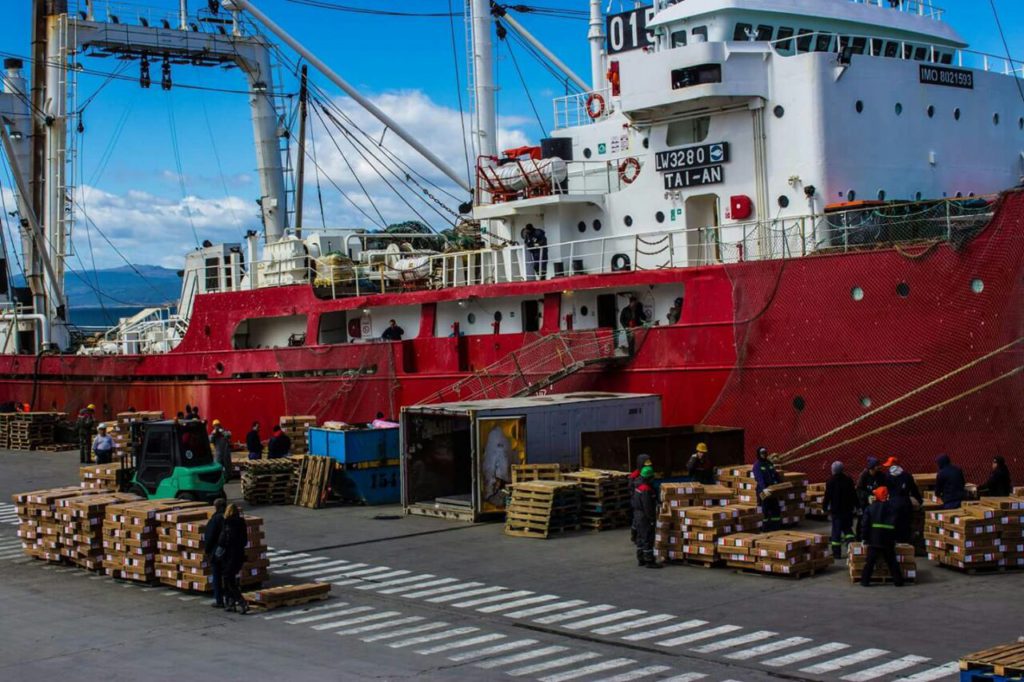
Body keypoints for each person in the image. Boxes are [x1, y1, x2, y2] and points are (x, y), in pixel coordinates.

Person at [859, 486, 904, 587]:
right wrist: (896, 538)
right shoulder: (893, 509)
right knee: (892, 562)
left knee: (870, 563)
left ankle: (865, 581)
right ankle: (898, 581)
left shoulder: (870, 508)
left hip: (874, 540)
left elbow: (865, 525)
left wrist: (864, 538)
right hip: (888, 540)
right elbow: (898, 525)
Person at [219, 504, 250, 614]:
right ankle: (231, 603)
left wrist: (219, 549)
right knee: (231, 578)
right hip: (240, 555)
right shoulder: (242, 523)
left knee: (228, 579)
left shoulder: (228, 523)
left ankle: (241, 602)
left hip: (230, 555)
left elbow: (223, 540)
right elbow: (245, 541)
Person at [823, 461, 858, 559]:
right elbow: (853, 494)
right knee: (848, 530)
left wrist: (824, 507)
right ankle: (853, 549)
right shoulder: (848, 480)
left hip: (837, 512)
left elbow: (827, 496)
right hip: (848, 510)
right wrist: (857, 506)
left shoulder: (830, 481)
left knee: (836, 533)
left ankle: (836, 553)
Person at [884, 457, 922, 544]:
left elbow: (884, 490)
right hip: (906, 503)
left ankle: (896, 545)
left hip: (893, 504)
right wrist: (920, 501)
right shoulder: (907, 475)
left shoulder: (887, 476)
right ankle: (906, 545)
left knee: (894, 525)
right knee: (905, 525)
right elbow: (914, 490)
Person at [632, 465, 662, 569]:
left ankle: (641, 559)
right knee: (648, 538)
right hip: (644, 516)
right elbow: (648, 506)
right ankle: (649, 561)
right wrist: (652, 519)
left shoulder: (638, 485)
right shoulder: (646, 489)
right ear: (648, 478)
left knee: (640, 537)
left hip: (637, 515)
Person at [203, 498, 227, 608]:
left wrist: (207, 551)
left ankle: (219, 600)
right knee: (228, 576)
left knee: (216, 576)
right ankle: (230, 598)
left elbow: (210, 537)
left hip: (217, 552)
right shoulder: (231, 518)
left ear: (216, 507)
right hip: (229, 552)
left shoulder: (215, 519)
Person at [855, 457, 886, 537]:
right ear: (872, 467)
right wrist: (868, 496)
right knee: (862, 521)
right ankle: (860, 537)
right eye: (877, 466)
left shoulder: (881, 476)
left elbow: (884, 488)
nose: (879, 467)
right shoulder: (863, 476)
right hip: (865, 503)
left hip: (877, 503)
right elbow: (859, 490)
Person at [753, 446, 782, 530]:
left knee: (775, 508)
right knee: (765, 509)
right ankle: (765, 528)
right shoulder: (757, 466)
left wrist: (779, 484)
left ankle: (776, 526)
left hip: (772, 489)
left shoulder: (769, 463)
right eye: (762, 453)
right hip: (763, 490)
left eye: (765, 453)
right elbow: (759, 478)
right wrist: (764, 489)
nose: (764, 455)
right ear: (759, 454)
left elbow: (775, 474)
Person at [628, 454, 653, 544]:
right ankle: (635, 535)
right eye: (646, 465)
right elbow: (631, 488)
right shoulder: (635, 475)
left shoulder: (647, 472)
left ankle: (638, 537)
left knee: (639, 520)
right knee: (638, 520)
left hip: (641, 498)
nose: (648, 466)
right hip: (638, 500)